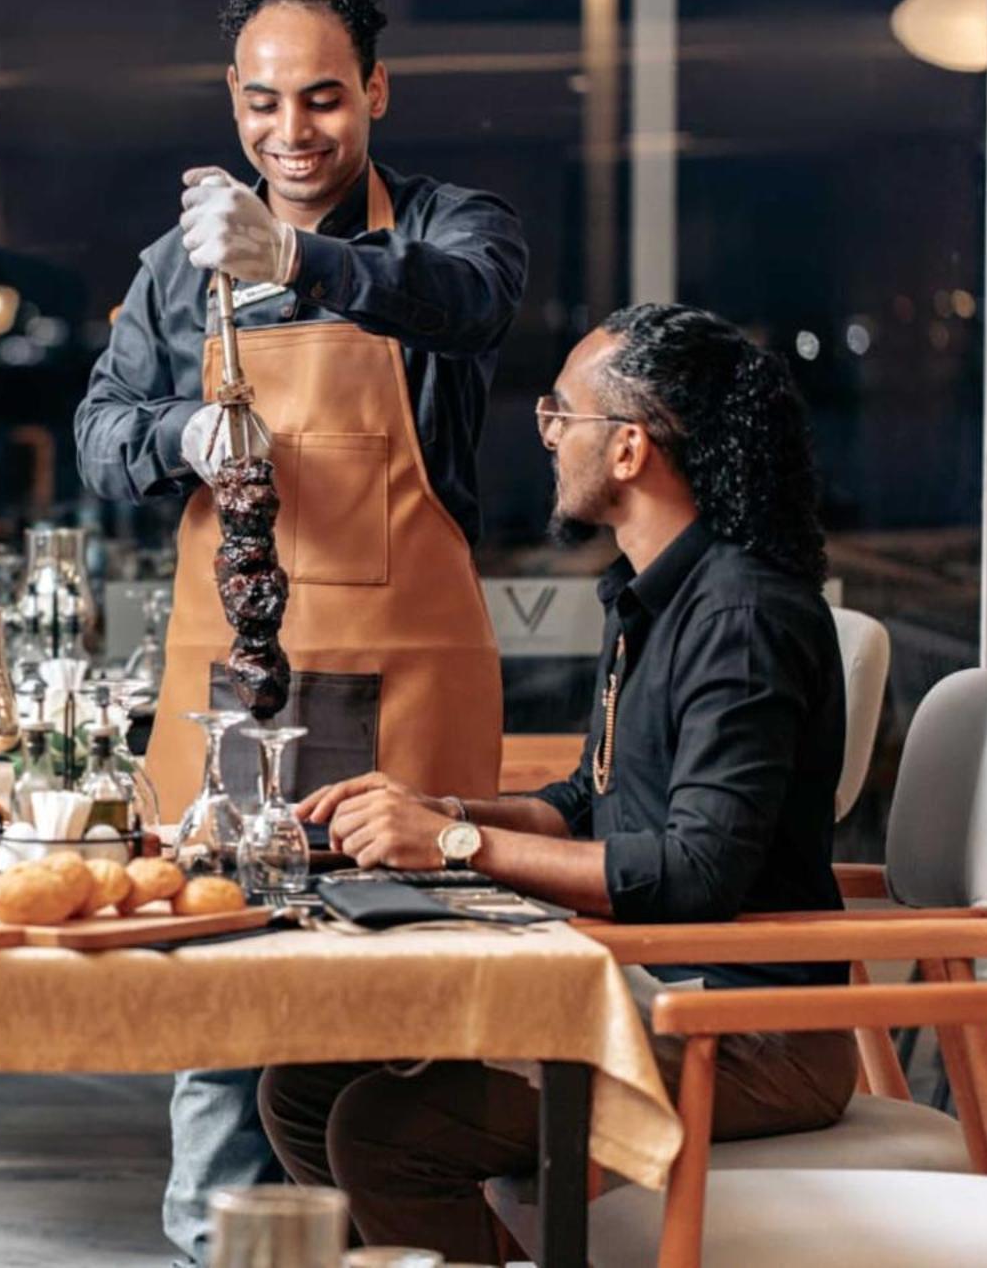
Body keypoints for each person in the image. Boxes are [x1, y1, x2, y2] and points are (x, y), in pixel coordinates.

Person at [72, 0, 528, 1263]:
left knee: (397, 998)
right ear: (233, 102)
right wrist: (177, 430)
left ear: (375, 92)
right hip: (233, 673)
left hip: (411, 678)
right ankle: (218, 1249)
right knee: (222, 994)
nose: (293, 132)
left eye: (324, 100)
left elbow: (469, 305)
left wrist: (303, 263)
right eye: (265, 103)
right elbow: (99, 435)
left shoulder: (454, 226)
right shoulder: (177, 270)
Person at [261, 303, 857, 1262]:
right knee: (303, 1086)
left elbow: (697, 873)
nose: (544, 432)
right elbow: (589, 796)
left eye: (562, 413)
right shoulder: (653, 595)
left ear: (628, 449)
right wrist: (434, 812)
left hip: (743, 1032)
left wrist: (459, 847)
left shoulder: (741, 618)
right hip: (644, 996)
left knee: (383, 1127)